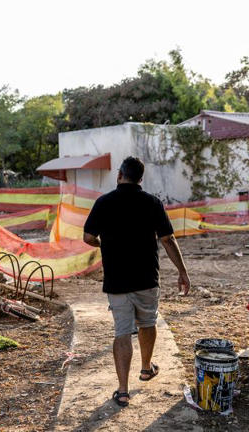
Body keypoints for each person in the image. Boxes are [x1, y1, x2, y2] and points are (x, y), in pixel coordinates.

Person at [83, 156, 190, 408]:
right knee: (148, 323)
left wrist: (103, 244)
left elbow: (88, 236)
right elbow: (168, 240)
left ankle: (122, 391)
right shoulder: (152, 203)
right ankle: (145, 368)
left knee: (122, 333)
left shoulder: (104, 202)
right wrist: (182, 272)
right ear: (141, 178)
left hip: (117, 281)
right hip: (147, 278)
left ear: (120, 175)